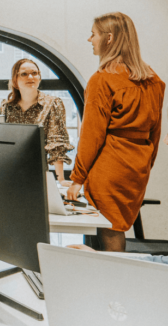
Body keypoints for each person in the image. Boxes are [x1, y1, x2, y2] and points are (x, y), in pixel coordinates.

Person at [67, 13, 164, 252]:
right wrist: (146, 164)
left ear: (109, 38)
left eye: (93, 34)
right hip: (137, 165)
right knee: (116, 228)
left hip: (110, 165)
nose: (90, 39)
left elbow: (92, 135)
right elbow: (155, 132)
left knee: (108, 231)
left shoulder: (102, 80)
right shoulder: (153, 80)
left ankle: (112, 274)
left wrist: (77, 179)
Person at [0, 58, 73, 182]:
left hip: (37, 174)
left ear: (39, 77)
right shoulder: (6, 107)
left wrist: (61, 179)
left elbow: (57, 142)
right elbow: (0, 143)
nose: (30, 77)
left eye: (34, 73)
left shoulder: (52, 104)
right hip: (9, 173)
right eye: (24, 74)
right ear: (15, 80)